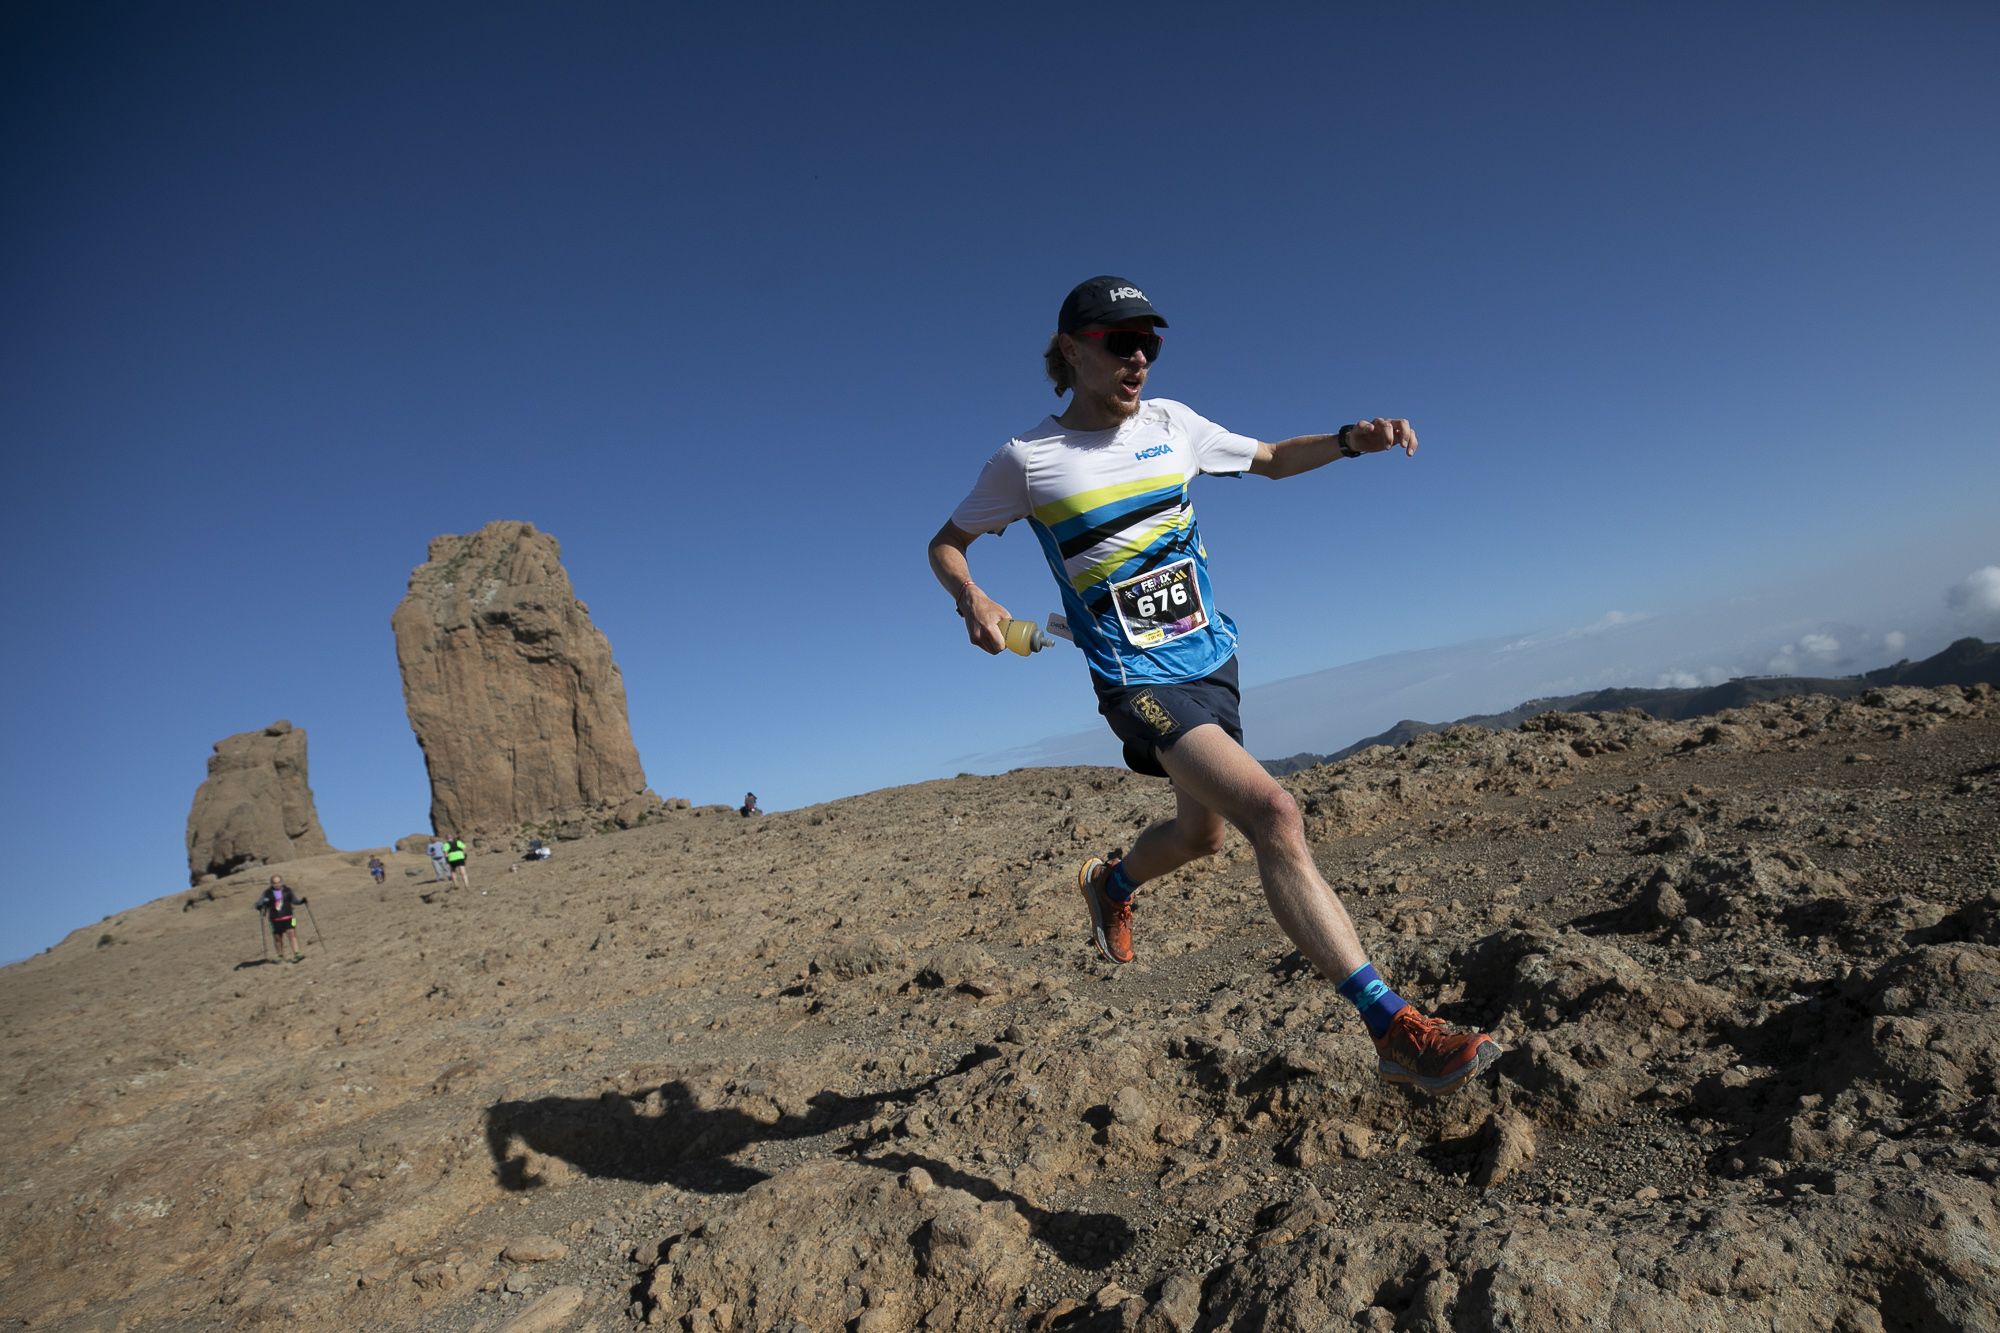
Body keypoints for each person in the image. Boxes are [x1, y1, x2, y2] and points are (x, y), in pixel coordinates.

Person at [927, 275, 1500, 1095]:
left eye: (1149, 344)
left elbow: (1267, 460)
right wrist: (973, 596)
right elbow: (946, 543)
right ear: (1068, 352)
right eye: (1118, 343)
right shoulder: (1028, 461)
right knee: (1275, 812)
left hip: (1213, 662)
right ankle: (1395, 1027)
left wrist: (1348, 440)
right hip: (1135, 679)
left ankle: (1111, 883)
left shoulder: (1173, 424)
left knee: (1203, 837)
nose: (1138, 358)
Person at [256, 875, 306, 963]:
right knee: (277, 938)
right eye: (275, 883)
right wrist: (259, 906)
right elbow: (259, 903)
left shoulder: (288, 890)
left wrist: (302, 901)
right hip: (274, 920)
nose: (277, 884)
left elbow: (294, 901)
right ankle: (280, 956)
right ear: (271, 883)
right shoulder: (267, 893)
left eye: (278, 882)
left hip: (290, 917)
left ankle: (297, 954)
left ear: (282, 882)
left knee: (292, 935)